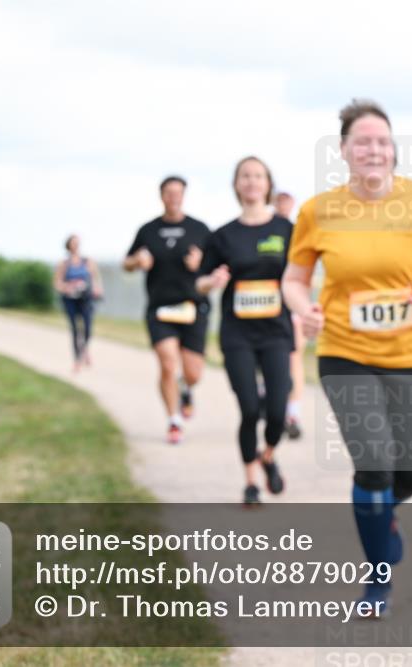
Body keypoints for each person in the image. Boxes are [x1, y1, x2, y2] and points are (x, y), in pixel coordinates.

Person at [283, 99, 412, 615]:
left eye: (382, 141)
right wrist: (302, 310)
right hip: (345, 352)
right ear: (344, 150)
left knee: (410, 473)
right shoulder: (317, 211)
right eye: (363, 141)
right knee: (374, 463)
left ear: (394, 150)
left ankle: (382, 516)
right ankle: (377, 578)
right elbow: (293, 280)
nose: (374, 150)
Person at [196, 157, 293, 506]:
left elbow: (299, 277)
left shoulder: (286, 230)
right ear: (236, 185)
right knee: (250, 409)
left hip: (277, 331)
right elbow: (201, 282)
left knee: (278, 412)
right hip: (238, 334)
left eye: (258, 175)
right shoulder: (222, 236)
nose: (252, 181)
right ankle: (251, 483)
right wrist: (213, 281)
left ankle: (268, 455)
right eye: (245, 176)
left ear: (268, 183)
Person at [124, 176, 211, 444]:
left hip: (193, 306)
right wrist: (137, 261)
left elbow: (217, 268)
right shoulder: (148, 230)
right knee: (167, 363)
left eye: (178, 193)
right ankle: (174, 421)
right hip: (160, 308)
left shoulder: (200, 229)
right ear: (161, 196)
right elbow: (125, 263)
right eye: (168, 193)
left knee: (193, 372)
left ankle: (186, 389)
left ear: (184, 196)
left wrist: (201, 264)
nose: (173, 197)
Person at [274, 190, 306, 439]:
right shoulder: (263, 227)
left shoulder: (298, 231)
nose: (284, 204)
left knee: (295, 355)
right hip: (267, 304)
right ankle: (269, 395)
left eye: (288, 200)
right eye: (280, 199)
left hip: (292, 302)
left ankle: (292, 413)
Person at [54, 235, 103, 373]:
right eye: (73, 243)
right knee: (75, 329)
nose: (76, 245)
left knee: (87, 328)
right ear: (68, 245)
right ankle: (77, 360)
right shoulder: (63, 264)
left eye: (78, 242)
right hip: (70, 300)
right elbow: (57, 283)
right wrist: (68, 287)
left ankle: (85, 349)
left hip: (85, 298)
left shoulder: (88, 261)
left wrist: (97, 289)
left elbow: (95, 278)